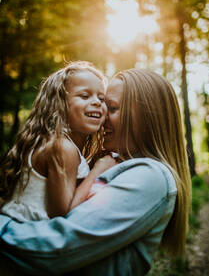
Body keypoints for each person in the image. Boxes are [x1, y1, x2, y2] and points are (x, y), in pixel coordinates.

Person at [0, 68, 192, 276]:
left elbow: (58, 246)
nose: (102, 115)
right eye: (94, 100)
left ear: (147, 118)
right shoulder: (102, 160)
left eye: (111, 107)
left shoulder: (149, 177)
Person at [0, 61, 109, 222]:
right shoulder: (63, 147)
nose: (97, 102)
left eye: (102, 98)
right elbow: (63, 216)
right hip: (22, 237)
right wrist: (98, 170)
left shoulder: (63, 145)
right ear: (60, 103)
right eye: (85, 96)